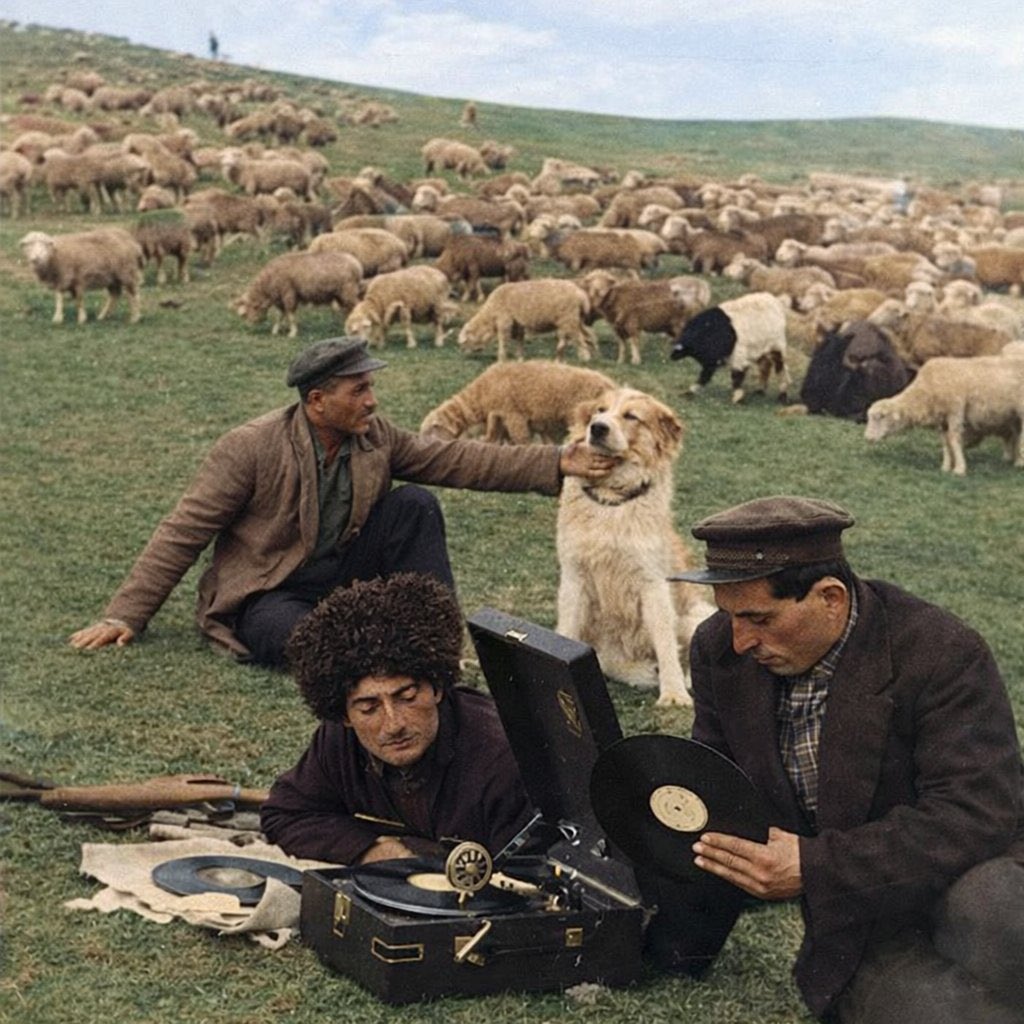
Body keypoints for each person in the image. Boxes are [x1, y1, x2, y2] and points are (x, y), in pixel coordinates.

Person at [671, 495, 1024, 1023]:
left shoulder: (941, 651)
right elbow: (721, 786)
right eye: (729, 615)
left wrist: (813, 867)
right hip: (861, 919)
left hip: (976, 873)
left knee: (997, 917)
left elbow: (976, 814)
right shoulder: (719, 649)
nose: (741, 640)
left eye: (758, 618)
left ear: (830, 598)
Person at [69, 337, 614, 666]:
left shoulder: (376, 436)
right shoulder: (249, 447)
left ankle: (435, 643)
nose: (371, 400)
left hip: (342, 575)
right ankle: (372, 644)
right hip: (269, 590)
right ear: (317, 401)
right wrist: (125, 615)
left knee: (415, 504)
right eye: (358, 390)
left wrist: (556, 462)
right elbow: (182, 531)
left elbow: (456, 460)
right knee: (292, 639)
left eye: (369, 388)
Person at [260, 572, 534, 864]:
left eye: (407, 697)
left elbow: (528, 874)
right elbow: (286, 815)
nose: (394, 725)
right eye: (369, 708)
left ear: (437, 687)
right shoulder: (339, 740)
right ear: (345, 715)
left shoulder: (502, 760)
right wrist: (373, 850)